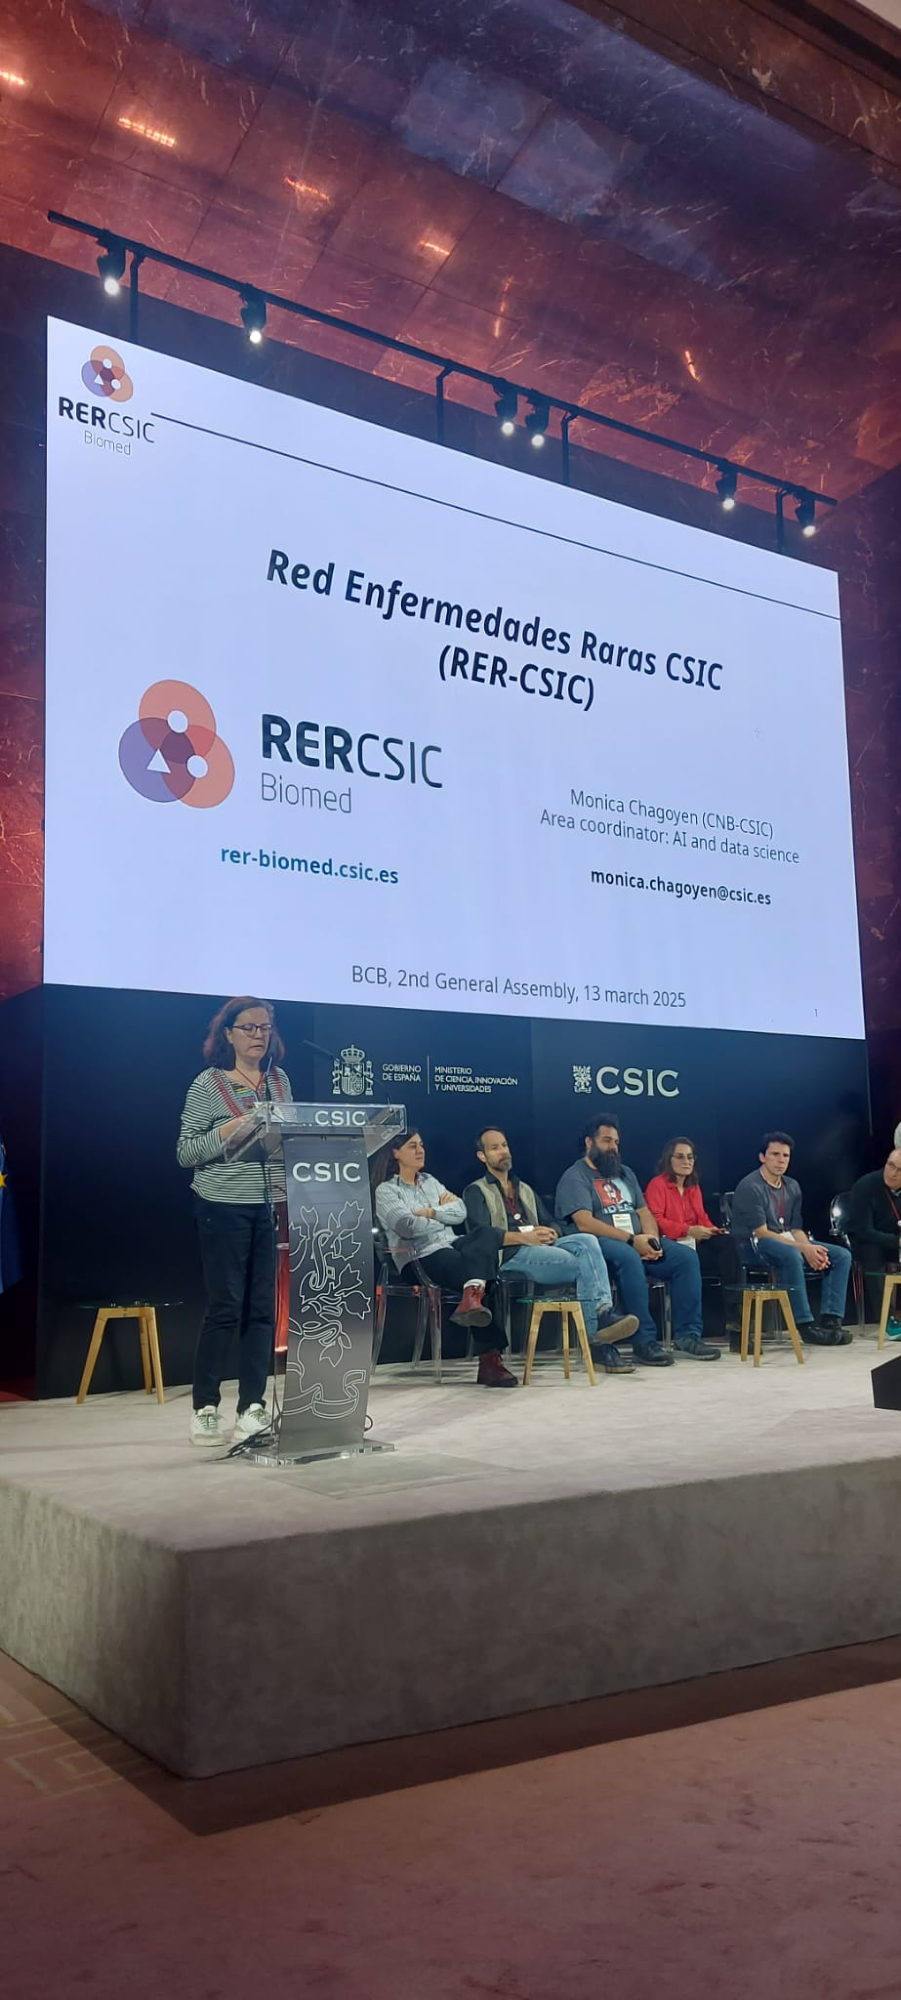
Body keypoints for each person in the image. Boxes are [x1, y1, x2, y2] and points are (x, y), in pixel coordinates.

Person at [177, 996, 292, 1445]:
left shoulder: (279, 1081)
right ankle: (205, 1407)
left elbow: (285, 1139)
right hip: (221, 1204)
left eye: (264, 1028)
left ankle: (252, 1406)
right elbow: (185, 1151)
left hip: (268, 1206)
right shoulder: (208, 1084)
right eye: (248, 1028)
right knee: (225, 1306)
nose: (258, 1035)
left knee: (263, 1309)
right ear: (227, 1033)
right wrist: (229, 1129)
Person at [463, 1128, 639, 1373]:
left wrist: (551, 1232)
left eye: (504, 1145)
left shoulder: (523, 1189)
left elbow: (551, 1221)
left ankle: (602, 1315)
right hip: (509, 1255)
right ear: (482, 1156)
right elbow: (481, 1234)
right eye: (495, 1148)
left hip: (540, 1247)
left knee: (587, 1241)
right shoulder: (476, 1191)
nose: (503, 1151)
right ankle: (598, 1341)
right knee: (586, 1265)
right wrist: (526, 1237)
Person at [555, 1116, 719, 1363]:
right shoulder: (576, 1176)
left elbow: (644, 1212)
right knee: (629, 1256)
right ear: (589, 1143)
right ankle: (644, 1340)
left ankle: (688, 1335)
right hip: (599, 1244)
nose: (613, 1147)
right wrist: (633, 1240)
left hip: (637, 1240)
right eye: (606, 1141)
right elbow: (584, 1222)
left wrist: (651, 1239)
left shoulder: (625, 1173)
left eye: (616, 1142)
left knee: (685, 1258)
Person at [372, 1129, 515, 1387]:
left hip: (451, 1244)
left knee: (487, 1233)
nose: (420, 1150)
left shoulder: (430, 1181)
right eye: (412, 1146)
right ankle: (490, 1360)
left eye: (421, 1145)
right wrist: (441, 1213)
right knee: (484, 1273)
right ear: (395, 1153)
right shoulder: (386, 1191)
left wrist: (428, 1212)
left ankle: (473, 1294)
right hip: (418, 1256)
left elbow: (461, 1211)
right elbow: (406, 1226)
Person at [730, 1131, 853, 1344]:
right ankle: (804, 1325)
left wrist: (810, 1248)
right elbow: (762, 1233)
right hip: (754, 1245)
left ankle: (831, 1322)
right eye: (775, 1154)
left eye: (785, 1156)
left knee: (841, 1255)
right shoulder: (751, 1186)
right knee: (792, 1255)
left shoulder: (792, 1186)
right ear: (762, 1157)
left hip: (787, 1241)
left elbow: (796, 1229)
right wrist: (803, 1249)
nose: (781, 1160)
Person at [848, 1149, 901, 1326]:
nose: (893, 1173)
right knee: (872, 1252)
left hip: (895, 1240)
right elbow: (863, 1231)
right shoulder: (865, 1186)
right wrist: (897, 1241)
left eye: (900, 1170)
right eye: (890, 1165)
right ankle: (888, 1320)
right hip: (867, 1241)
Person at [645, 1138, 721, 1246]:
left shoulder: (694, 1186)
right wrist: (688, 1230)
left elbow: (701, 1216)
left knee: (726, 1241)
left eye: (690, 1157)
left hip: (693, 1239)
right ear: (668, 1159)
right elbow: (656, 1221)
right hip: (670, 1241)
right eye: (680, 1157)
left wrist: (712, 1229)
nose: (686, 1162)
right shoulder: (657, 1184)